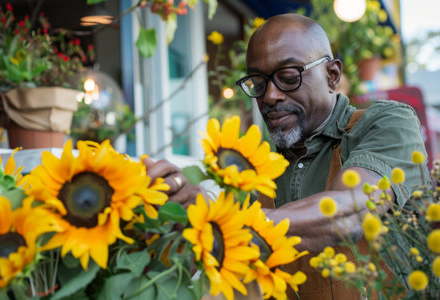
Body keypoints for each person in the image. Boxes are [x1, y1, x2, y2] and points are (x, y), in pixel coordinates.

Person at [145, 13, 430, 299]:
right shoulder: (256, 171)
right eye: (258, 83)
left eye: (289, 78)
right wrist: (172, 221)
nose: (270, 96)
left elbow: (351, 211)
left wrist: (220, 222)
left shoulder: (388, 123)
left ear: (332, 75)